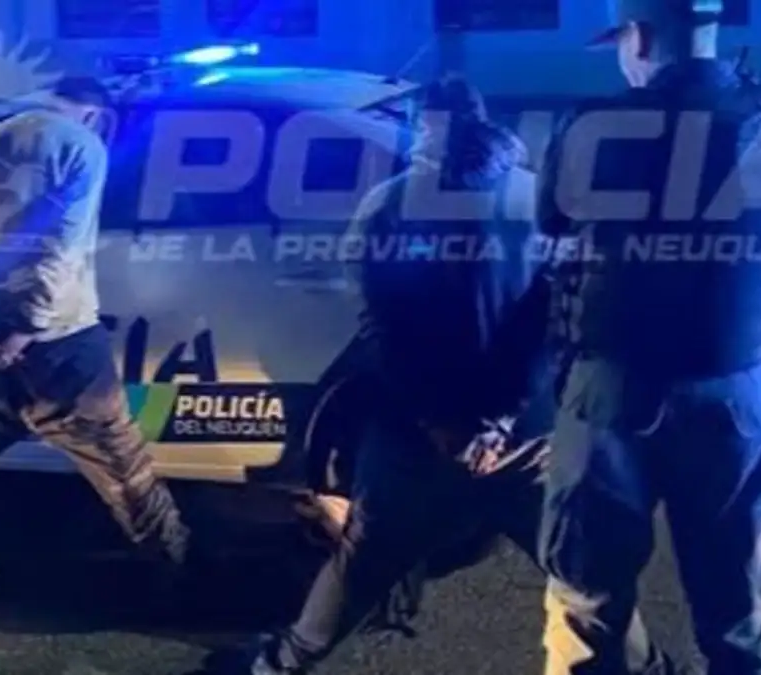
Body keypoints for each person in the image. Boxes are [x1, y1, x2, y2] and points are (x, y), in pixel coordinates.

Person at [203, 75, 668, 675]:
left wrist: (439, 422)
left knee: (363, 562)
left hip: (417, 438)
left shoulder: (388, 205)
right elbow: (557, 321)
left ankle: (280, 664)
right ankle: (650, 667)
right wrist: (500, 422)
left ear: (424, 126)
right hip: (528, 435)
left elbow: (383, 328)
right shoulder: (537, 198)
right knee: (580, 567)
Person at [536, 1, 761, 673]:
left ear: (637, 38)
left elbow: (551, 219)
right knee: (740, 629)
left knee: (586, 613)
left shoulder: (591, 125)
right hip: (737, 398)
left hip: (611, 398)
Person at [0, 76, 190, 567]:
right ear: (95, 114)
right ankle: (173, 573)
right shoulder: (81, 146)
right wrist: (26, 327)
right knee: (122, 469)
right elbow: (59, 246)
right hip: (62, 342)